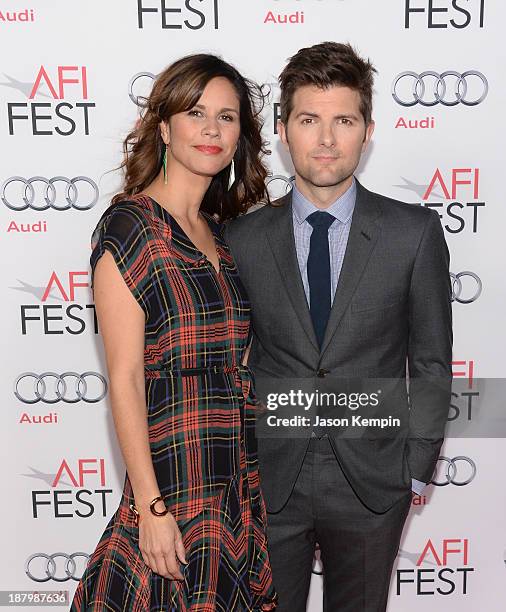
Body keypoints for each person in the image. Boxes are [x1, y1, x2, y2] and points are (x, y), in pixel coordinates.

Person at [225, 42, 452, 612]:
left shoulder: (413, 233)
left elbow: (430, 360)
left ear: (367, 130)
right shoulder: (242, 239)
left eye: (343, 120)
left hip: (374, 481)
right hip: (270, 483)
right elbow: (229, 363)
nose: (326, 139)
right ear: (282, 130)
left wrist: (415, 469)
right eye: (309, 120)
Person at [71, 54, 277, 611]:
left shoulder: (223, 235)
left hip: (237, 484)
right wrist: (151, 510)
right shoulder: (129, 228)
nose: (212, 129)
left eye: (228, 116)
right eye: (196, 112)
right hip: (173, 483)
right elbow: (125, 377)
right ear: (164, 127)